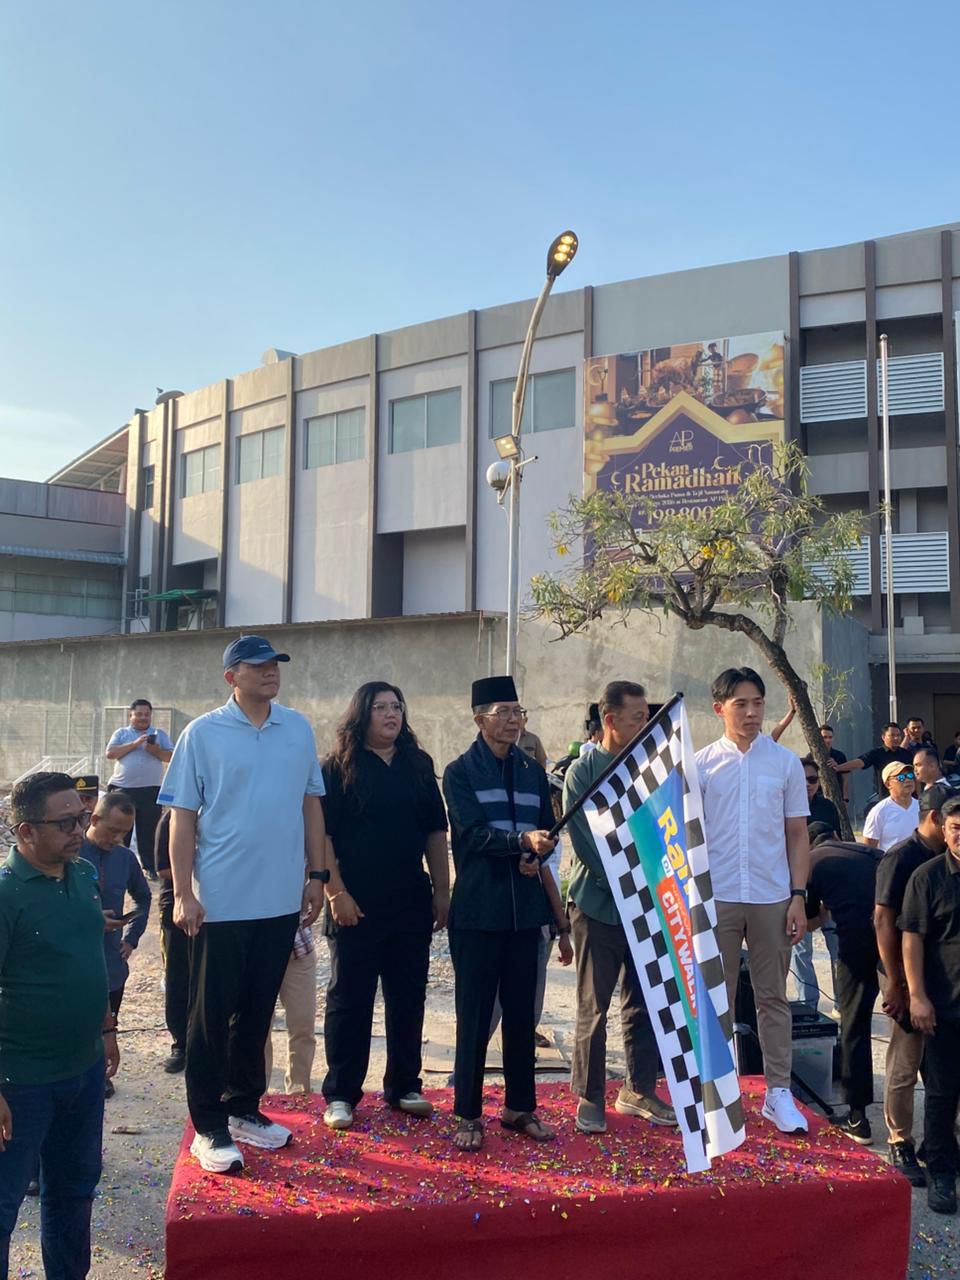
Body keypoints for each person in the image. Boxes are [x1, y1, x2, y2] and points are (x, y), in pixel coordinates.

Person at [159, 634, 328, 1175]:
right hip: (221, 902)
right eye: (257, 666)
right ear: (232, 677)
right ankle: (209, 1125)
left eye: (274, 664)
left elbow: (311, 806)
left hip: (279, 900)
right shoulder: (202, 733)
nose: (270, 672)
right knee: (210, 1017)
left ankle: (243, 1108)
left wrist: (317, 875)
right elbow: (183, 816)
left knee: (256, 1012)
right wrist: (184, 893)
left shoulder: (296, 728)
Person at [0, 772, 119, 1280]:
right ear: (26, 831)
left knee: (73, 1193)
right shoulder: (6, 896)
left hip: (83, 1070)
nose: (80, 829)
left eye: (83, 817)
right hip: (21, 1080)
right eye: (66, 822)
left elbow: (90, 954)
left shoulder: (83, 875)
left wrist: (107, 1027)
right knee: (3, 1208)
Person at [443, 676, 569, 1152]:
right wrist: (520, 842)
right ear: (480, 719)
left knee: (521, 1016)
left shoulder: (533, 772)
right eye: (504, 712)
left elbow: (544, 833)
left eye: (519, 712)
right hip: (478, 911)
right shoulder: (460, 772)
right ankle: (468, 1113)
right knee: (475, 1016)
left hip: (525, 913)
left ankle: (520, 1107)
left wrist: (534, 852)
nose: (514, 721)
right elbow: (471, 835)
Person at [320, 681, 449, 1130]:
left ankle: (404, 1085)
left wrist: (442, 890)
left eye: (397, 707)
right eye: (381, 708)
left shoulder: (418, 764)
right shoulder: (337, 767)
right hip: (354, 902)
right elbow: (322, 836)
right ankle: (341, 1093)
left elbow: (435, 831)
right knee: (349, 1000)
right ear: (361, 715)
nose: (391, 715)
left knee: (408, 997)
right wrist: (336, 893)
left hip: (409, 899)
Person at [696, 667, 811, 1134]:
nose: (751, 713)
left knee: (773, 997)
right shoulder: (701, 765)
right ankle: (716, 1093)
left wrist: (798, 896)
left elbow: (797, 834)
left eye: (758, 703)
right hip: (717, 895)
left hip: (771, 895)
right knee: (715, 999)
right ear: (719, 708)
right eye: (740, 704)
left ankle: (778, 1092)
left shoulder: (784, 763)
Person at [564, 680, 677, 1135]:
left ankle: (639, 1088)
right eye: (637, 718)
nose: (645, 726)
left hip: (647, 904)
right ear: (610, 721)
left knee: (645, 1002)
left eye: (647, 717)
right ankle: (590, 1095)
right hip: (598, 905)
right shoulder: (583, 771)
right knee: (594, 1005)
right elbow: (586, 844)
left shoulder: (651, 769)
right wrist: (630, 879)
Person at [874, 781, 957, 1187]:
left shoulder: (944, 858)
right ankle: (900, 1139)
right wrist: (898, 984)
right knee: (906, 1062)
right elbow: (884, 921)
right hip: (899, 971)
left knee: (943, 1068)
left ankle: (939, 1143)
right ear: (937, 819)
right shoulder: (903, 858)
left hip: (939, 977)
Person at [900, 793, 960, 1215]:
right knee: (941, 1093)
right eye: (956, 829)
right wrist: (917, 995)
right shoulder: (927, 877)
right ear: (944, 828)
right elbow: (912, 939)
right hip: (945, 1004)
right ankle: (941, 1172)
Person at [803, 823, 882, 1145]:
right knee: (914, 1027)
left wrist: (823, 914)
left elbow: (807, 923)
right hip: (900, 938)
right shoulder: (871, 852)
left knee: (854, 1026)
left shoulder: (811, 864)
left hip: (857, 943)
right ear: (837, 835)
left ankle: (858, 1118)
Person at [78, 792, 152, 1098]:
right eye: (112, 830)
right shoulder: (71, 854)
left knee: (108, 1022)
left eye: (124, 832)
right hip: (74, 959)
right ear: (94, 820)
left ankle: (100, 1074)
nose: (117, 838)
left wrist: (131, 938)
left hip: (110, 960)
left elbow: (144, 898)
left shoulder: (125, 859)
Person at [789, 760, 841, 1009]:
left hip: (829, 882)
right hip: (797, 883)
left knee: (837, 945)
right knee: (801, 947)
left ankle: (842, 1002)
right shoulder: (784, 805)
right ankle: (807, 1004)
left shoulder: (827, 807)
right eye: (803, 780)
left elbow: (837, 839)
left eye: (813, 780)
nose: (808, 785)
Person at [104, 699, 174, 878]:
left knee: (149, 830)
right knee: (120, 829)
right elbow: (110, 753)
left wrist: (155, 751)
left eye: (147, 714)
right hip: (123, 789)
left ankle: (149, 867)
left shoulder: (159, 734)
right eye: (139, 714)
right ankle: (117, 865)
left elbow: (171, 757)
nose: (143, 718)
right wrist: (135, 744)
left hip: (150, 790)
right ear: (131, 715)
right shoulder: (122, 733)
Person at [154, 808, 189, 1073]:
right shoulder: (172, 818)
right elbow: (163, 868)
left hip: (218, 908)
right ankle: (181, 1044)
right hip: (176, 910)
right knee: (178, 979)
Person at [264, 924, 318, 1095]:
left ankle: (299, 1092)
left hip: (298, 948)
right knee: (257, 1028)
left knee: (303, 1023)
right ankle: (256, 1094)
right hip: (258, 948)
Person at [831, 723, 912, 795]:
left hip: (907, 796)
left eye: (898, 735)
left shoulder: (906, 753)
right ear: (883, 737)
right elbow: (860, 762)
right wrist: (838, 767)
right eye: (892, 735)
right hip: (886, 796)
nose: (896, 738)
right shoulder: (877, 753)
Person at [863, 762, 920, 852]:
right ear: (888, 784)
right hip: (892, 860)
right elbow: (869, 848)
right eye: (901, 777)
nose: (907, 780)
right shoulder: (879, 811)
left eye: (910, 776)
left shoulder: (922, 807)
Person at [820, 724, 849, 803]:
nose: (828, 740)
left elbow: (845, 779)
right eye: (825, 737)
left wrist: (845, 799)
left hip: (837, 797)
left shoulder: (840, 756)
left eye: (830, 737)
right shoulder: (810, 757)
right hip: (819, 797)